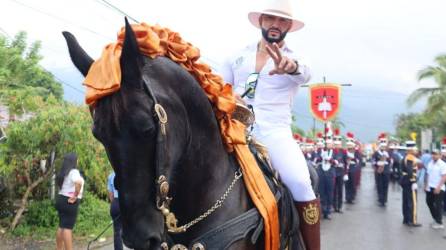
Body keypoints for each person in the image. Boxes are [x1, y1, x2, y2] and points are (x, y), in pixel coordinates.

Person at [219, 0, 320, 248]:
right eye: (271, 19)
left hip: (274, 134)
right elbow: (218, 88)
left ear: (288, 26)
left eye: (282, 20)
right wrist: (228, 94)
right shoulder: (236, 56)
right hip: (235, 129)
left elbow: (304, 72)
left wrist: (289, 67)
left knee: (300, 183)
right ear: (261, 21)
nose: (276, 24)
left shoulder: (295, 59)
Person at [55, 153, 84, 250]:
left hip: (61, 199)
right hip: (69, 201)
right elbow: (78, 182)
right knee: (67, 228)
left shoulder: (64, 172)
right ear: (74, 161)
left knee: (61, 226)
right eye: (77, 159)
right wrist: (75, 195)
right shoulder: (74, 171)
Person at [400, 141, 422, 227]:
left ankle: (406, 219)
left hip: (405, 180)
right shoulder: (410, 157)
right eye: (415, 149)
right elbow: (410, 170)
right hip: (410, 181)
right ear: (411, 149)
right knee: (412, 201)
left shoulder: (405, 156)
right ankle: (412, 220)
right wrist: (413, 181)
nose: (416, 151)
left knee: (406, 200)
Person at [424, 149, 446, 229]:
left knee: (438, 205)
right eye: (433, 154)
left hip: (439, 188)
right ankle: (435, 218)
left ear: (440, 155)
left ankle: (439, 222)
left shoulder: (442, 164)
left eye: (436, 154)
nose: (434, 155)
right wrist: (426, 185)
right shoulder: (430, 163)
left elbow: (444, 177)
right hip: (430, 187)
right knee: (429, 202)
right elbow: (428, 175)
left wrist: (438, 187)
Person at [108, 171, 123, 250]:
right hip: (127, 203)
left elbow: (111, 195)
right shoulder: (127, 172)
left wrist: (115, 203)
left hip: (116, 203)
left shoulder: (111, 175)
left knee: (117, 231)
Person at [372, 141, 391, 207]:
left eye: (384, 146)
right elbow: (373, 161)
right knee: (380, 186)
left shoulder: (387, 153)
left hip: (386, 171)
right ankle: (381, 199)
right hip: (379, 171)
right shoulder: (376, 153)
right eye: (382, 146)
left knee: (385, 186)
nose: (383, 147)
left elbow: (390, 162)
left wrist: (386, 162)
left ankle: (384, 200)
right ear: (380, 147)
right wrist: (378, 164)